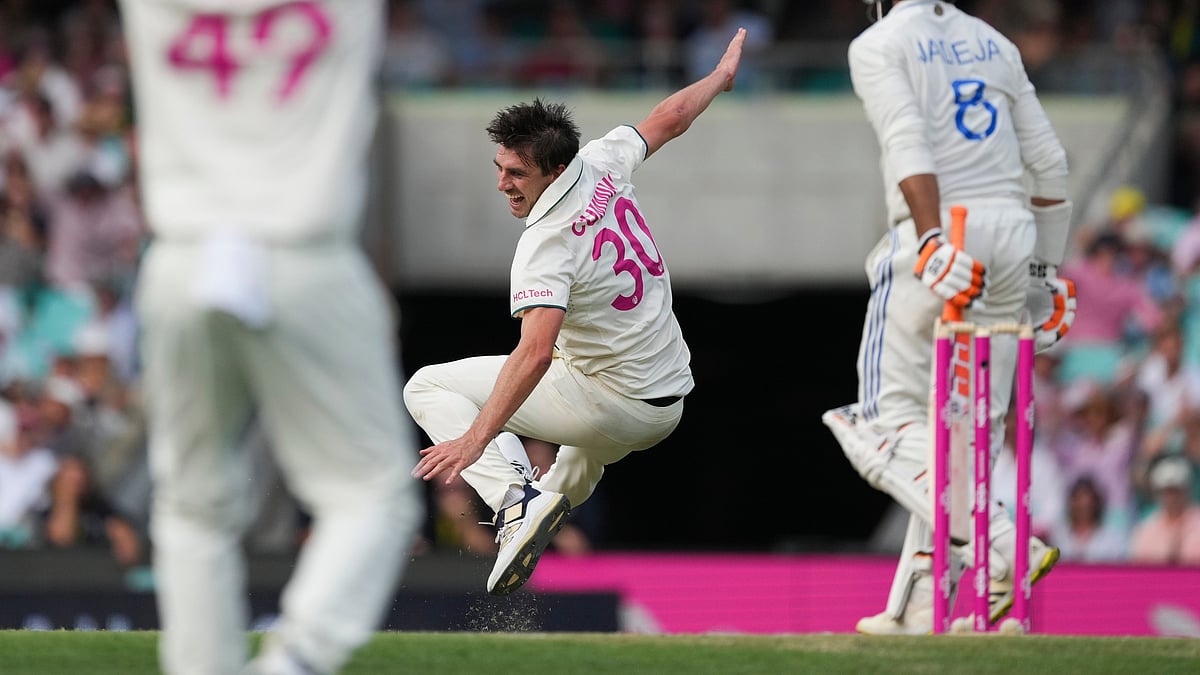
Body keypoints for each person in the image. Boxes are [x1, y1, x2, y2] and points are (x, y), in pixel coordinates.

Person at [118, 2, 424, 674]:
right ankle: (296, 661)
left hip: (181, 259)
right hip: (304, 258)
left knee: (191, 503)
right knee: (371, 493)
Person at [405, 28, 747, 597]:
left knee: (426, 386)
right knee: (574, 459)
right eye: (499, 167)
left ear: (555, 170)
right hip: (666, 403)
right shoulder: (601, 161)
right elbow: (670, 117)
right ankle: (541, 512)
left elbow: (535, 354)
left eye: (517, 174)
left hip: (612, 405)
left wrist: (475, 441)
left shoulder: (545, 244)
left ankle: (513, 502)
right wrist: (719, 78)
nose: (502, 184)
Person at [823, 0, 1075, 634]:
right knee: (960, 435)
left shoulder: (880, 42)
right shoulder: (995, 42)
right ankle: (917, 608)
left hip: (938, 234)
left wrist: (932, 238)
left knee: (879, 422)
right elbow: (1049, 165)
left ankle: (1003, 544)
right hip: (1014, 237)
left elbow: (906, 140)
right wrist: (1043, 274)